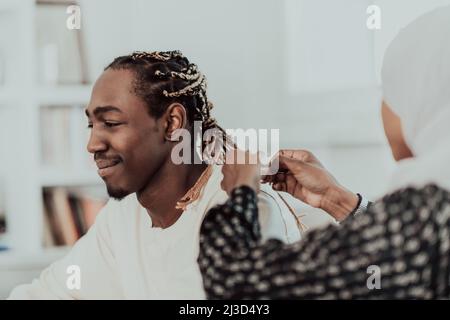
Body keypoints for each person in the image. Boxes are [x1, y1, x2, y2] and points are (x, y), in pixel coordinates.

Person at [197, 6, 450, 299]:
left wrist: (241, 191)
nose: (384, 107)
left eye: (388, 90)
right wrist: (339, 200)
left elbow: (235, 283)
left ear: (421, 95)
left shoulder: (425, 217)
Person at [8, 51, 301, 299]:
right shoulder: (123, 215)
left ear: (172, 123)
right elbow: (50, 292)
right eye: (91, 125)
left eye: (110, 122)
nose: (92, 144)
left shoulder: (246, 209)